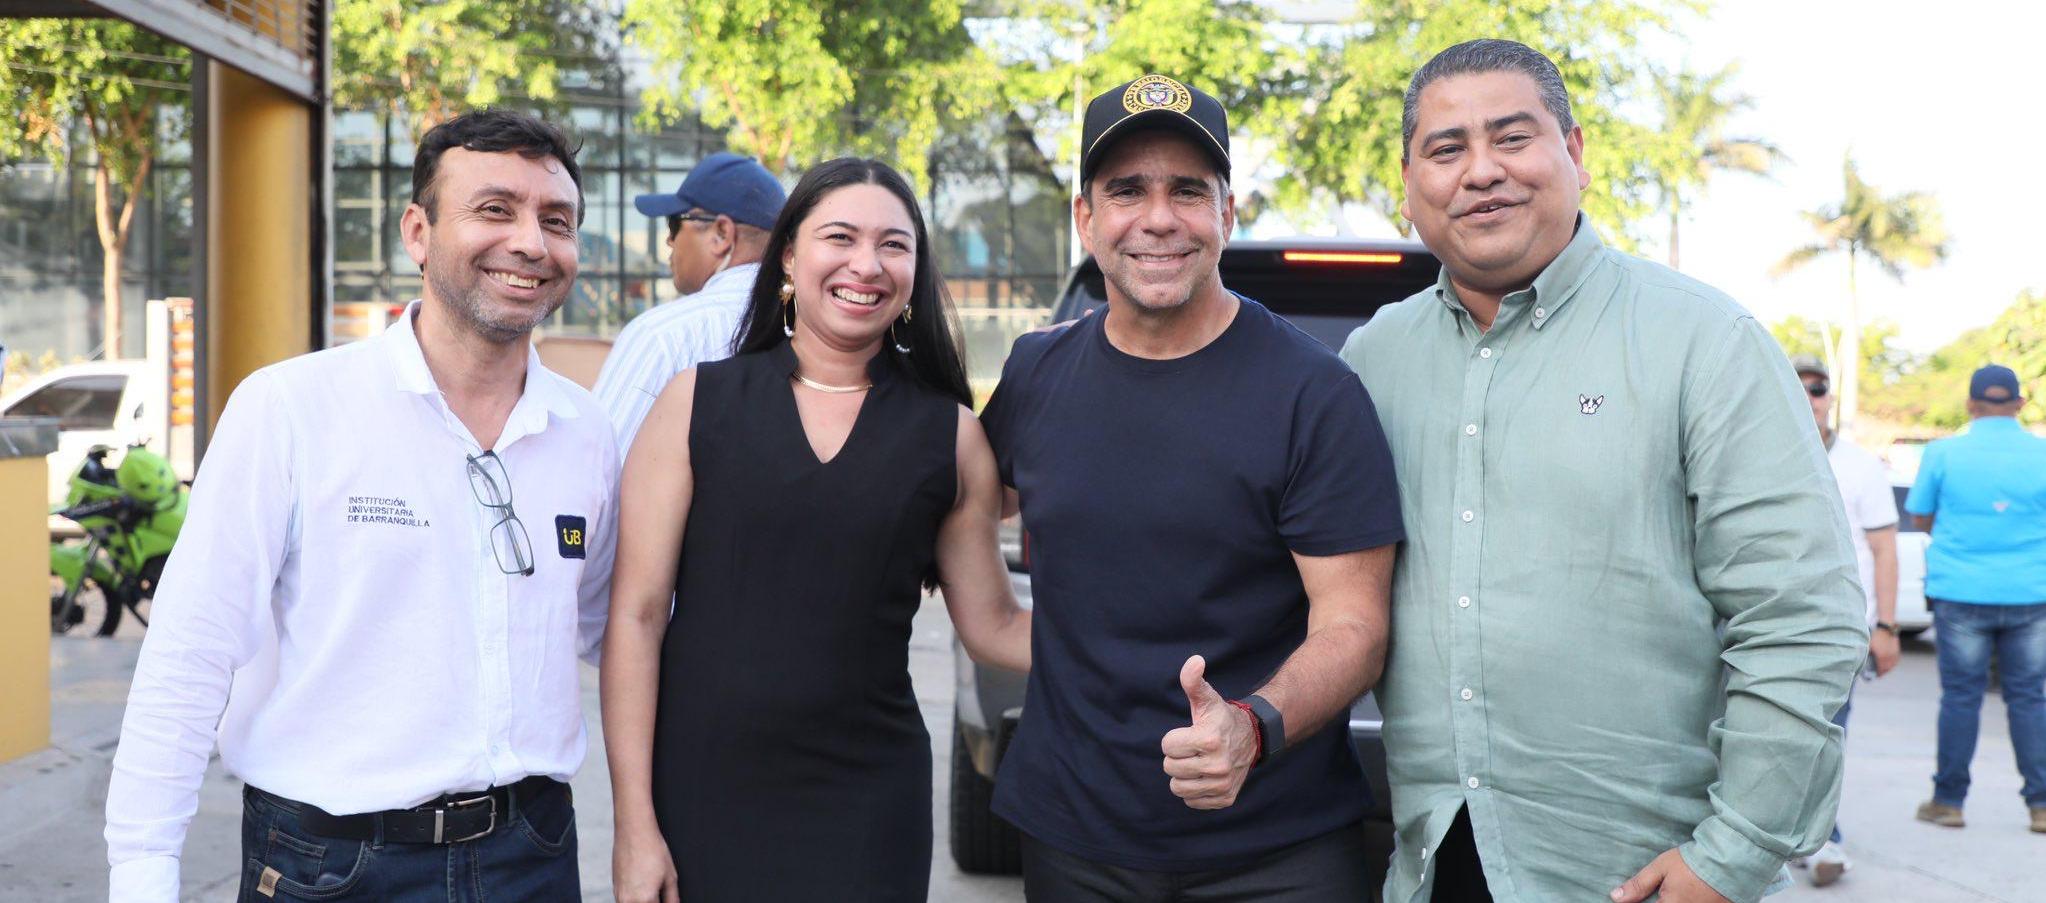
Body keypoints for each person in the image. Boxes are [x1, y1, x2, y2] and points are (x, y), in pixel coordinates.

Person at [1339, 39, 1867, 903]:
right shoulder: (1373, 358)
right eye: (1446, 149)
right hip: (1431, 863)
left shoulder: (1704, 341)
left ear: (1574, 152)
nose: (1480, 172)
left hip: (1638, 877)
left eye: (1512, 138)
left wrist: (1730, 858)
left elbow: (1800, 617)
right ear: (1409, 180)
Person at [104, 109, 618, 902]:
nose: (530, 242)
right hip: (331, 864)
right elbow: (189, 651)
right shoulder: (292, 408)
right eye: (494, 209)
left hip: (533, 856)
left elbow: (612, 630)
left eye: (556, 220)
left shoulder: (585, 432)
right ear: (417, 231)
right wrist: (142, 874)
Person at [980, 74, 1403, 901]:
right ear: (1085, 218)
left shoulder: (1313, 394)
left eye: (1187, 190)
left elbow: (1356, 626)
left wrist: (1253, 725)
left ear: (1227, 213)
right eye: (1127, 190)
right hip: (1075, 840)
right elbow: (949, 512)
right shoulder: (1035, 373)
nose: (1159, 217)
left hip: (1276, 850)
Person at [600, 157, 1032, 903]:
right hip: (703, 789)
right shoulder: (696, 401)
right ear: (790, 257)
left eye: (894, 244)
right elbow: (635, 617)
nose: (867, 263)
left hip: (868, 801)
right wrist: (634, 825)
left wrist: (1133, 643)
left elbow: (994, 625)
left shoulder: (951, 436)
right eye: (841, 236)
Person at [1904, 363, 2046, 834]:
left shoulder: (1942, 453)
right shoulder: (2042, 454)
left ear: (1970, 404)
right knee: (2028, 698)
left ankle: (1948, 801)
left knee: (1961, 698)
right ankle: (2041, 806)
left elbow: (1920, 516)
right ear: (2021, 405)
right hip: (2031, 591)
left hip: (1960, 591)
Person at [1790, 355, 1901, 886]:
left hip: (1838, 629)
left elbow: (1884, 550)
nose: (1809, 397)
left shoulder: (1860, 466)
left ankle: (1824, 840)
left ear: (1830, 397)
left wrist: (1887, 627)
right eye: (1798, 387)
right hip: (1759, 624)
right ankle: (1788, 834)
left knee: (1826, 732)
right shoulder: (1758, 451)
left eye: (1817, 389)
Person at [594, 152, 784, 451]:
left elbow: (599, 468)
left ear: (721, 234)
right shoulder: (813, 329)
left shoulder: (663, 335)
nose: (670, 240)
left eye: (673, 224)